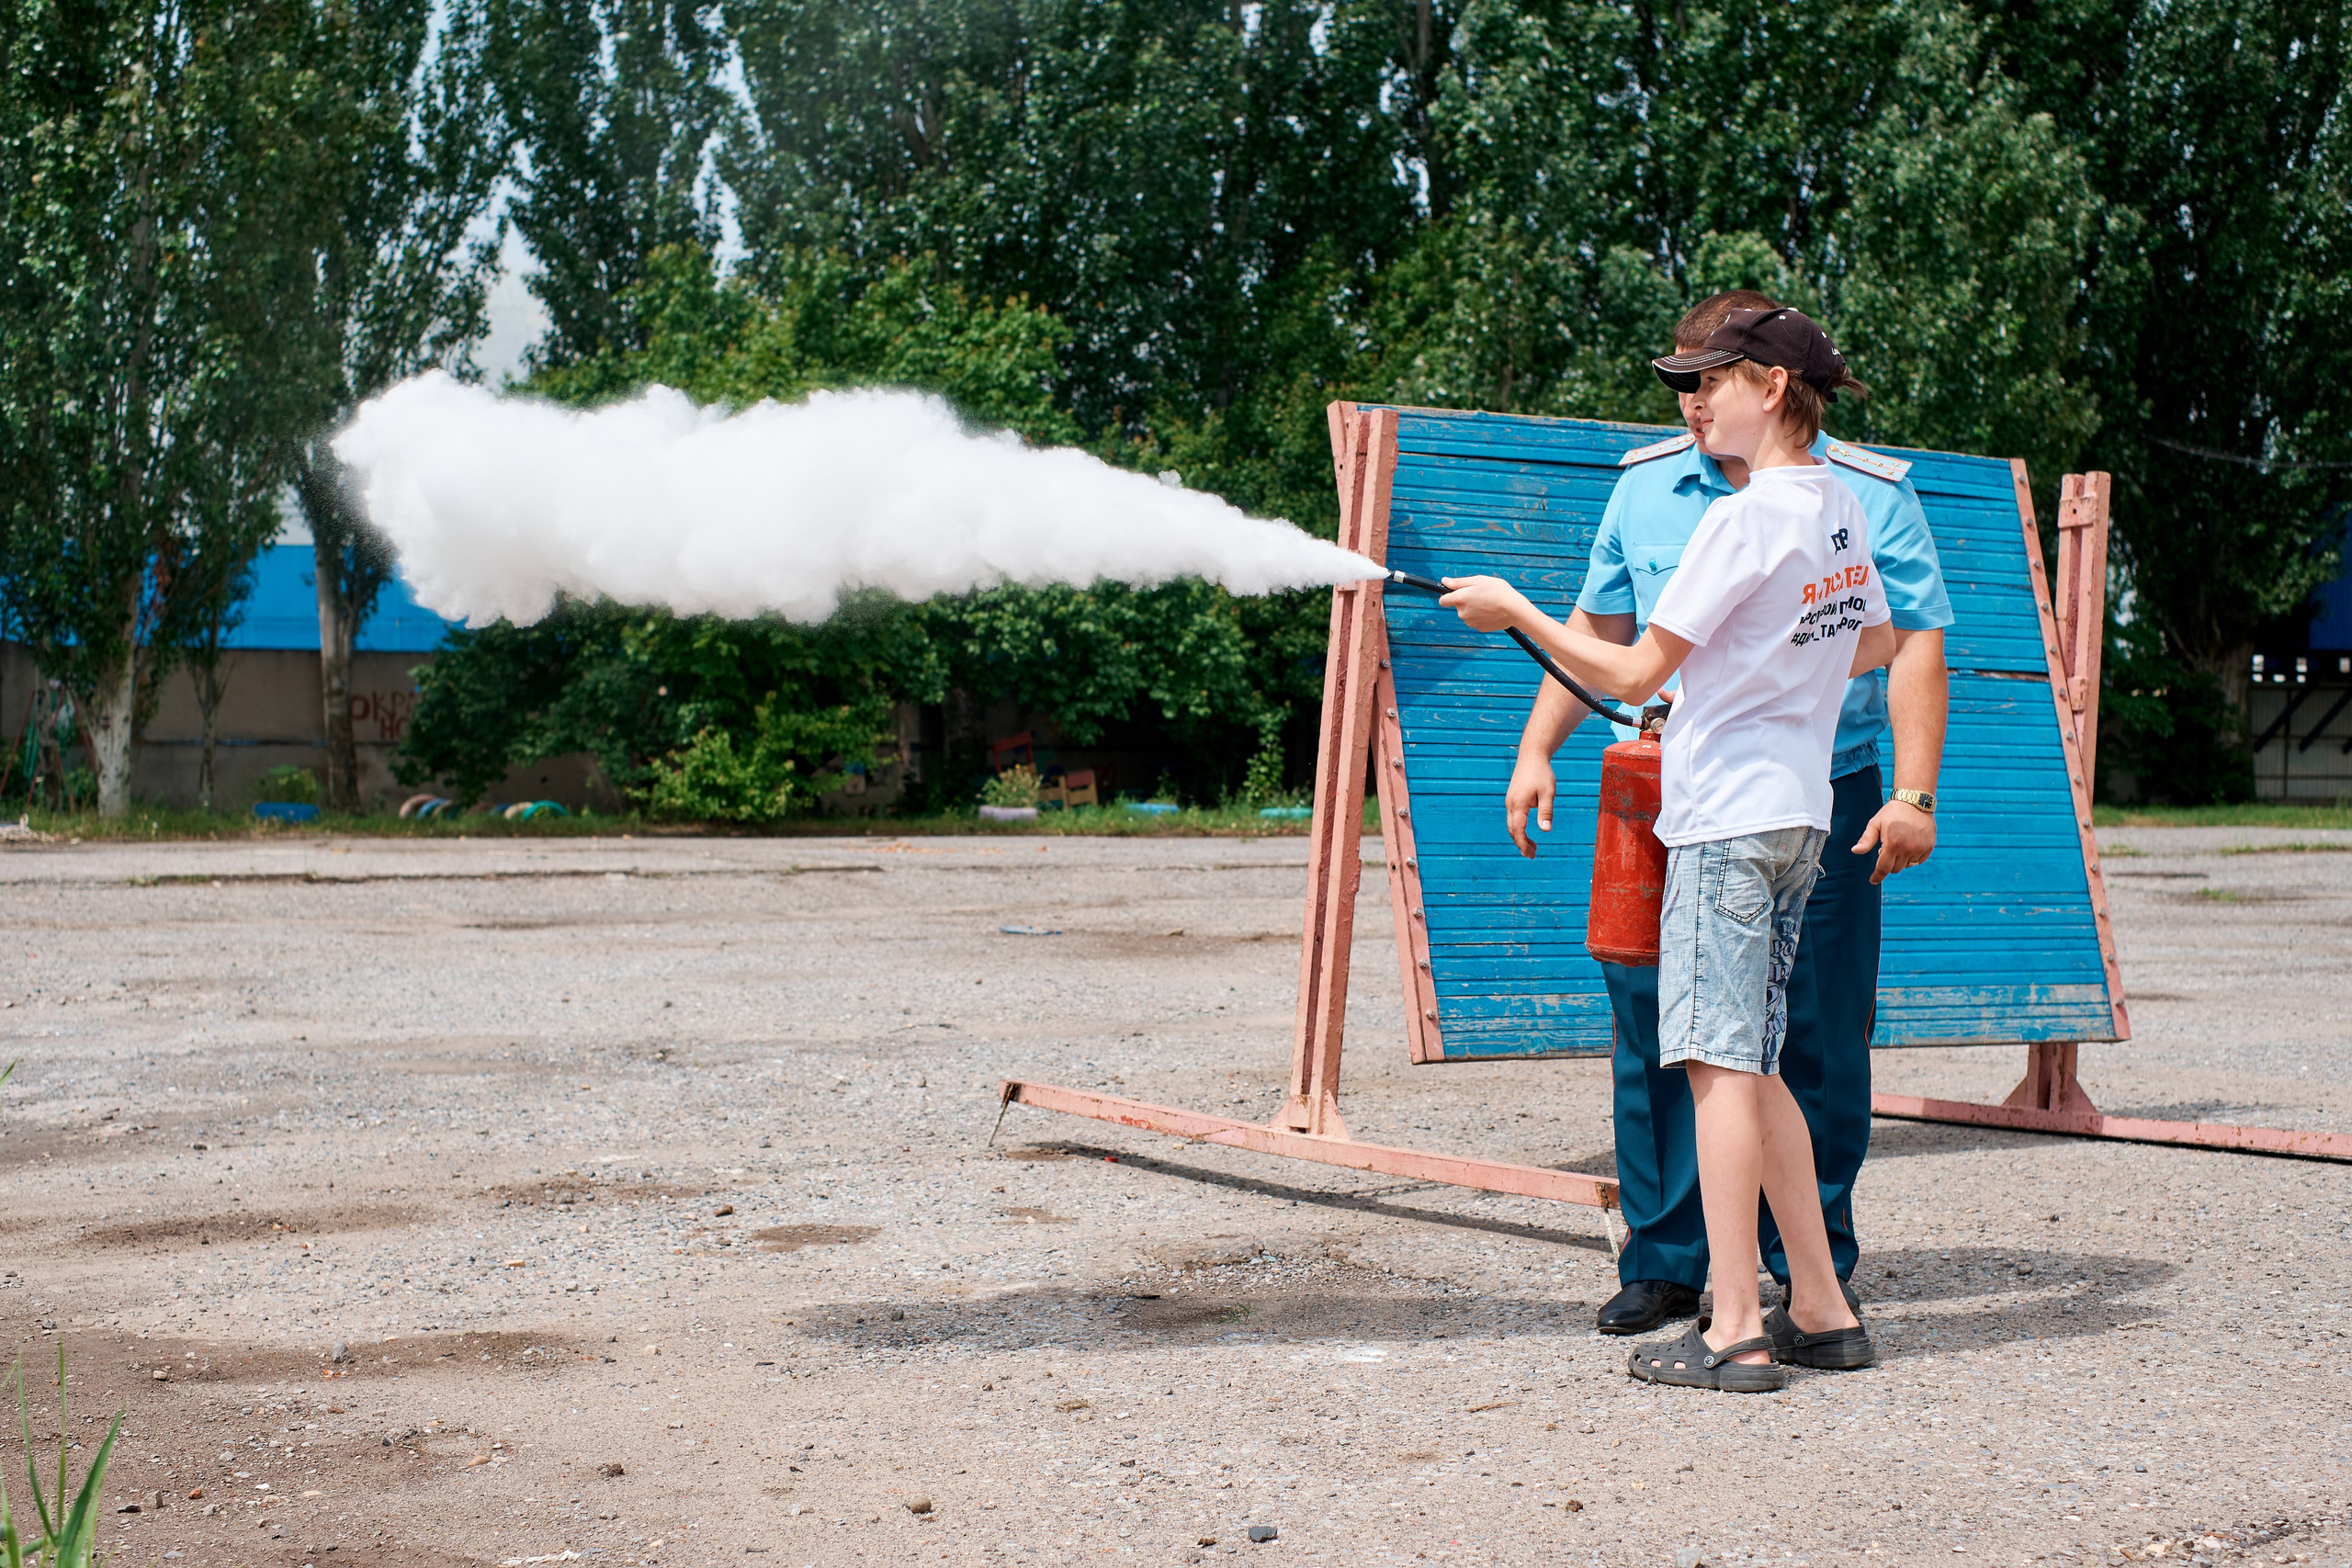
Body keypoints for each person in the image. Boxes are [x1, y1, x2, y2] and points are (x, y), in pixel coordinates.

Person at [1440, 306, 1891, 1389]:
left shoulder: (1738, 520)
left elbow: (1629, 673)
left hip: (1726, 823)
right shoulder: (1835, 508)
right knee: (1757, 1059)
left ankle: (1733, 1327)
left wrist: (1513, 611)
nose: (1691, 401)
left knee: (1715, 1068)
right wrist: (1738, 681)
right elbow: (1870, 638)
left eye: (1711, 380)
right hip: (1797, 815)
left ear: (1772, 389)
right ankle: (1822, 1310)